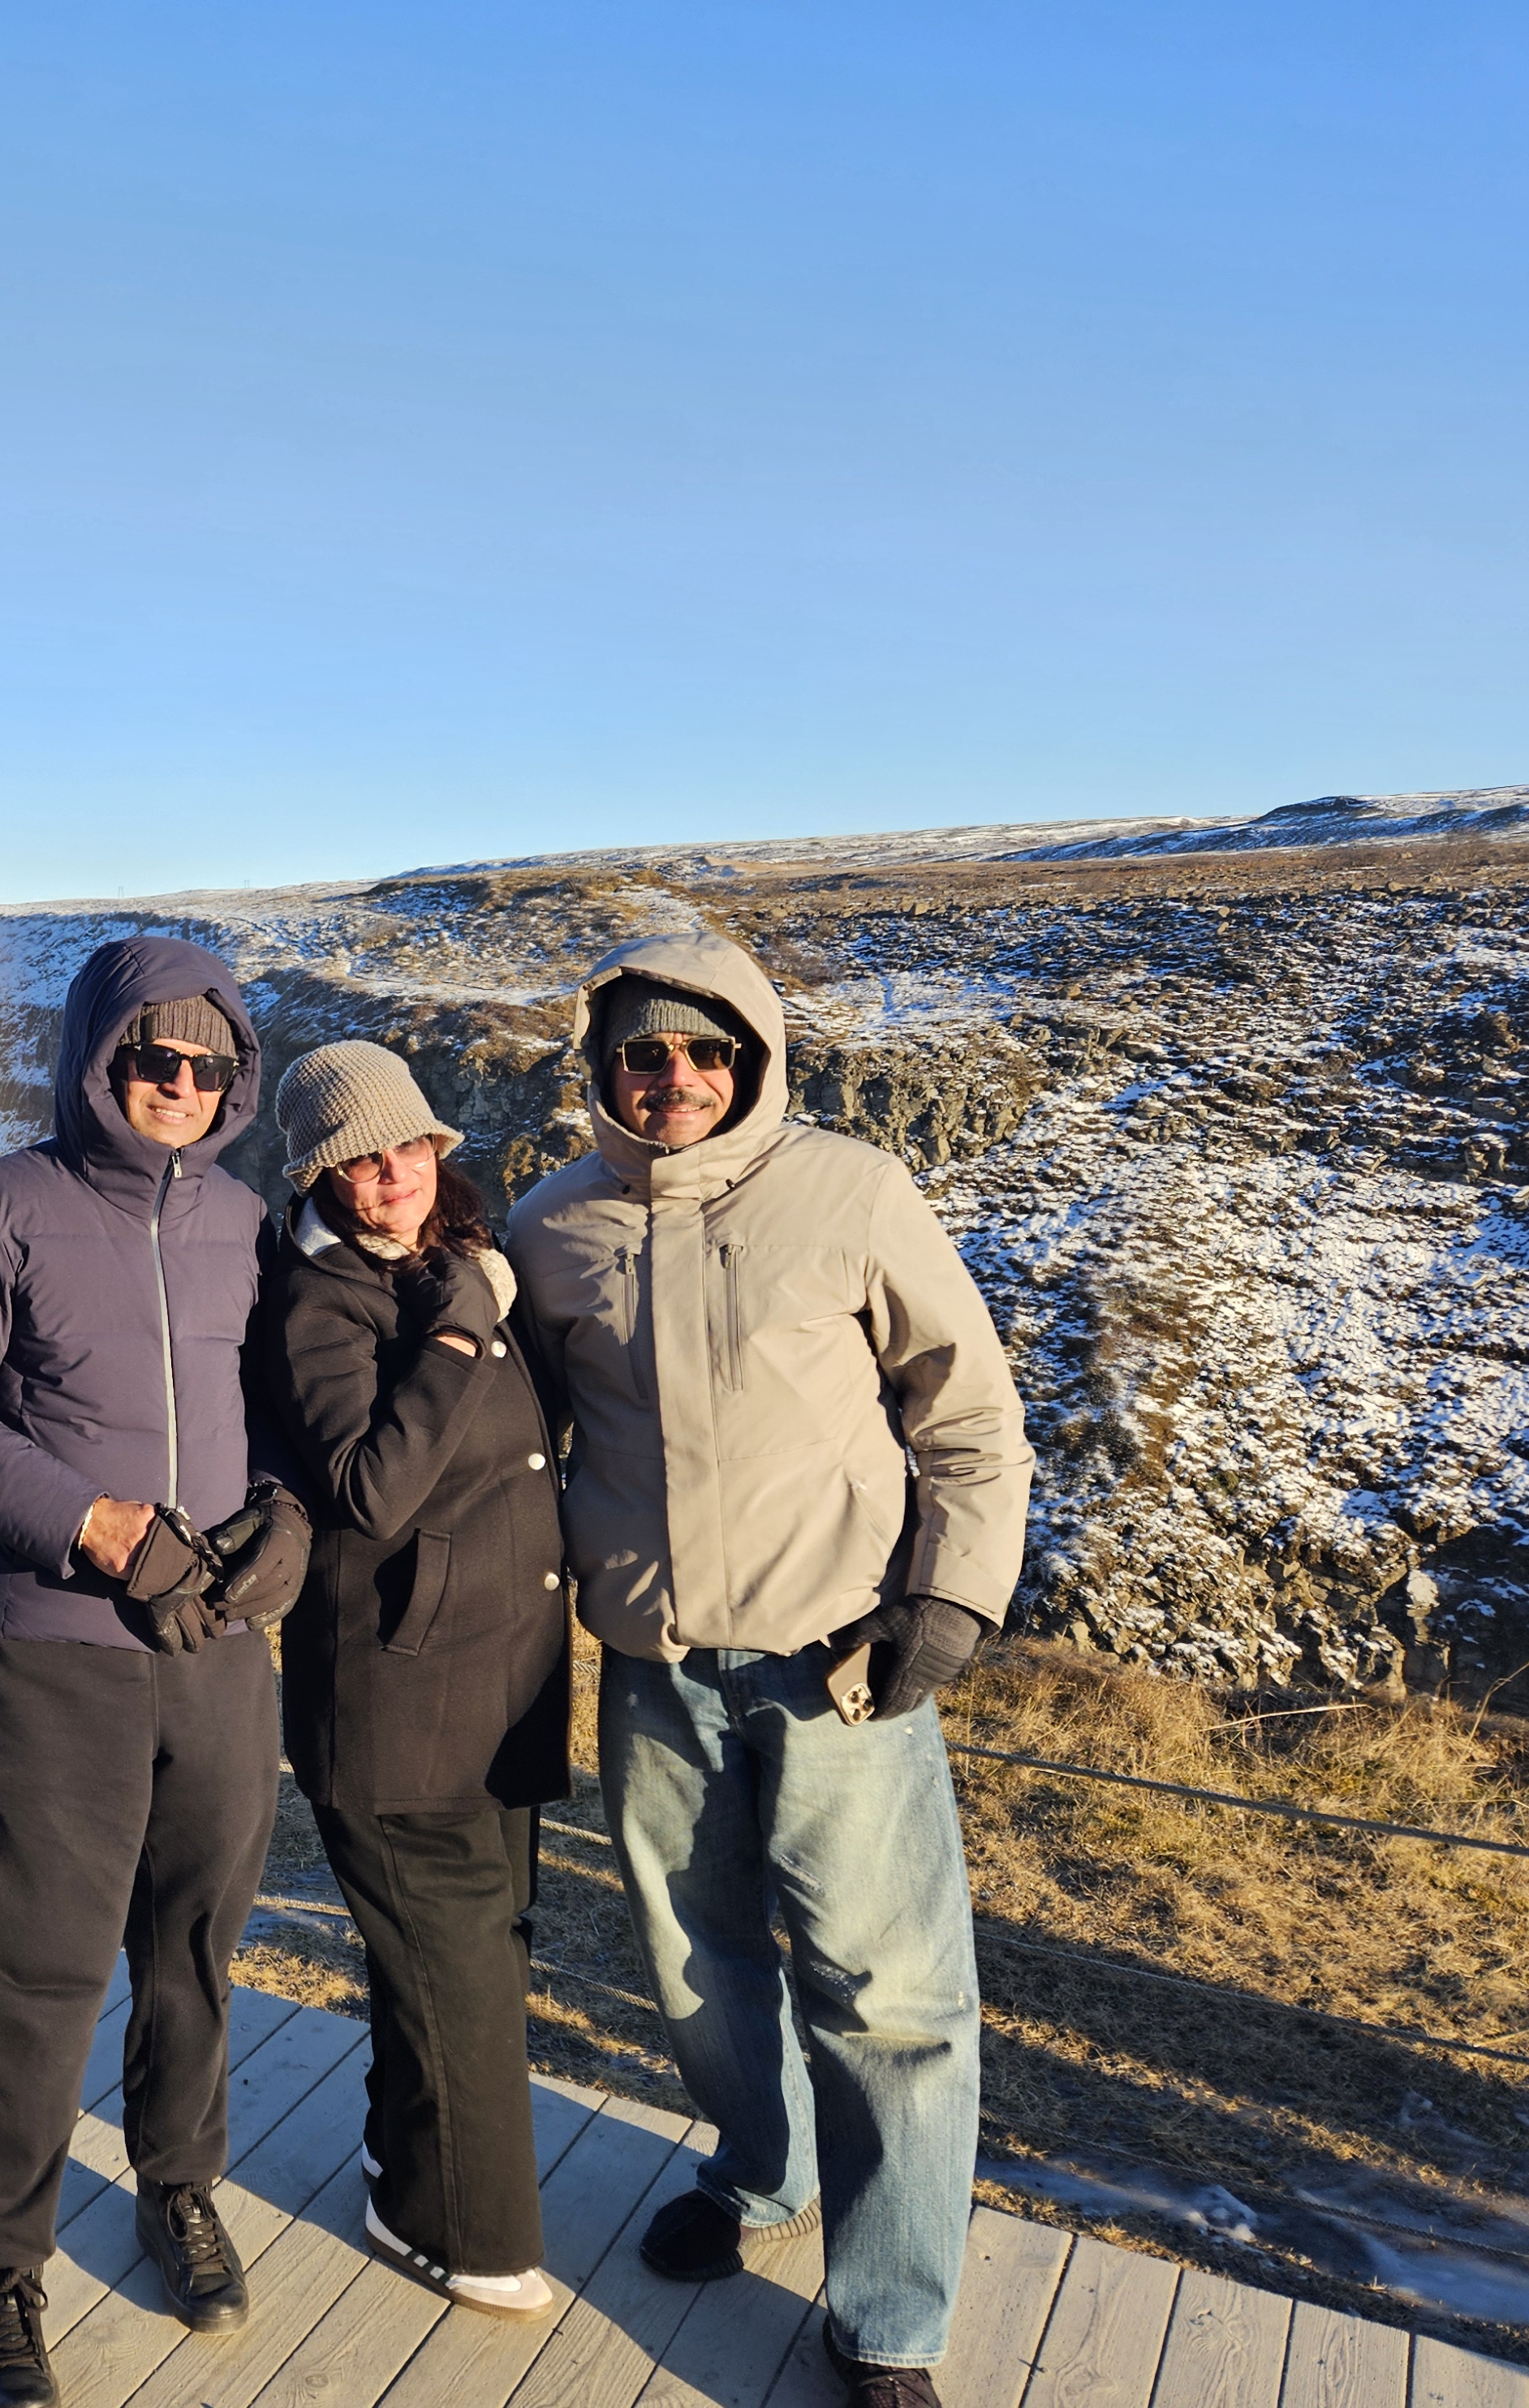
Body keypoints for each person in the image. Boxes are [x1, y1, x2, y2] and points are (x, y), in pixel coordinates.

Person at [505, 929, 1032, 2408]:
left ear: (752, 1058)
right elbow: (510, 1437)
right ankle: (764, 2174)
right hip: (656, 1671)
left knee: (888, 1997)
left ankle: (890, 2324)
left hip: (840, 1662)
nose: (673, 1076)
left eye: (705, 1049)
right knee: (698, 1967)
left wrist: (951, 1597)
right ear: (602, 1066)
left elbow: (966, 1413)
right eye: (642, 1051)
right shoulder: (552, 1227)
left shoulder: (851, 1192)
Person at [0, 935, 308, 2408]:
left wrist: (287, 1517)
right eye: (150, 1057)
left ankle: (177, 2188)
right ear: (96, 1058)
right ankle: (2, 2268)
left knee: (195, 1945)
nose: (178, 1083)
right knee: (30, 1969)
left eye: (207, 1063)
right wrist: (96, 1525)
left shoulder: (246, 1220)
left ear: (236, 1077)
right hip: (56, 1650)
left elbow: (279, 1408)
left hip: (219, 1654)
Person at [252, 1041, 571, 2320]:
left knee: (469, 1953)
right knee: (465, 1982)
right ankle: (467, 2235)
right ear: (318, 1177)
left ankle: (398, 2169)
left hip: (500, 1682)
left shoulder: (458, 1259)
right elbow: (369, 1491)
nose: (392, 1177)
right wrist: (456, 1329)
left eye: (409, 1148)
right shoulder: (320, 1302)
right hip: (397, 1701)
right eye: (359, 1161)